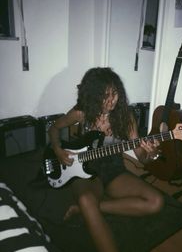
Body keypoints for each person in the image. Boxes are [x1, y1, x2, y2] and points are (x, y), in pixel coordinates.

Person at [48, 67, 164, 252]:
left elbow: (142, 157)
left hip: (113, 168)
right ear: (93, 95)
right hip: (82, 167)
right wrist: (57, 149)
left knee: (156, 202)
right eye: (105, 95)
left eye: (115, 93)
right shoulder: (81, 113)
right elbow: (54, 128)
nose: (112, 101)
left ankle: (87, 209)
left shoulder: (126, 118)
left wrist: (150, 154)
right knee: (86, 198)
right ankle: (88, 207)